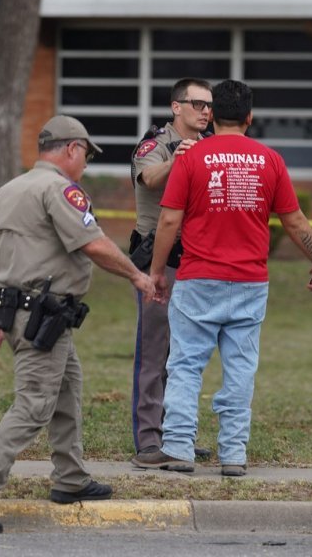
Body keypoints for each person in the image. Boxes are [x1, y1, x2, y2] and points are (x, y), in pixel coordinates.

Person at [0, 115, 157, 534]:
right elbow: (93, 243)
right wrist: (137, 275)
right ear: (71, 149)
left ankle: (70, 478)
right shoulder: (59, 189)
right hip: (41, 313)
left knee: (67, 386)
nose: (84, 163)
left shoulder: (7, 190)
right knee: (35, 403)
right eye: (85, 154)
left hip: (18, 311)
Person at [132, 80, 312, 477]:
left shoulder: (191, 157)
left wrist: (155, 272)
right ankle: (234, 455)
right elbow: (294, 220)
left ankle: (179, 447)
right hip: (250, 282)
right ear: (250, 118)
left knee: (185, 366)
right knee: (240, 369)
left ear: (213, 115)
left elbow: (169, 218)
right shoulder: (270, 160)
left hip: (197, 278)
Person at [128, 77, 213, 459]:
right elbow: (147, 177)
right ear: (176, 107)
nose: (206, 112)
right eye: (198, 104)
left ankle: (177, 435)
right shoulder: (155, 145)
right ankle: (149, 440)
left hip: (196, 261)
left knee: (186, 355)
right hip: (157, 262)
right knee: (154, 351)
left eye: (210, 106)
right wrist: (178, 156)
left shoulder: (209, 146)